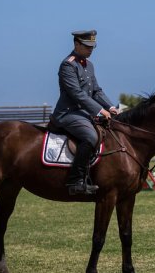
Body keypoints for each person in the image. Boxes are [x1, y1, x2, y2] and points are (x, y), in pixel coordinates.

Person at [51, 30, 118, 195]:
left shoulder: (89, 65)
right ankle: (76, 181)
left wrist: (110, 107)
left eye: (92, 47)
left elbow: (96, 91)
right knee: (91, 137)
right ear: (76, 44)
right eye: (87, 46)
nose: (90, 50)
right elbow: (77, 94)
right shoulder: (68, 65)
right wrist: (99, 110)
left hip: (84, 114)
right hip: (68, 114)